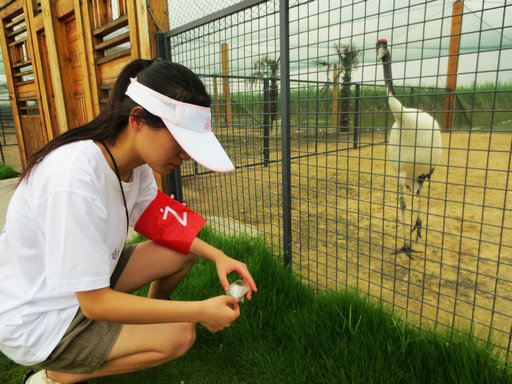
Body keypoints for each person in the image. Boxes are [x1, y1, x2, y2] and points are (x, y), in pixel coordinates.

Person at [0, 59, 257, 384]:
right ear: (137, 119)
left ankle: (144, 322)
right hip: (37, 320)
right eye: (181, 141)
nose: (187, 155)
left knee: (181, 250)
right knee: (179, 336)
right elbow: (95, 304)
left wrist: (218, 255)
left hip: (72, 288)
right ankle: (53, 377)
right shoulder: (74, 179)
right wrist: (197, 311)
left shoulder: (132, 166)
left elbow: (162, 223)